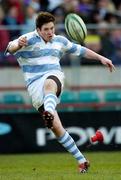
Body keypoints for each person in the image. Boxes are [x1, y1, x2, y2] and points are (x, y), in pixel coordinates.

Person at [6, 11, 115, 173]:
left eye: (52, 28)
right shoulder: (27, 39)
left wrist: (101, 58)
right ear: (38, 29)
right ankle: (82, 161)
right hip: (34, 86)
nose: (50, 32)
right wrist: (19, 44)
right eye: (46, 29)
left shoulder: (60, 41)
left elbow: (81, 50)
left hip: (53, 78)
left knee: (50, 82)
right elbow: (10, 48)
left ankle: (49, 111)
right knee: (57, 128)